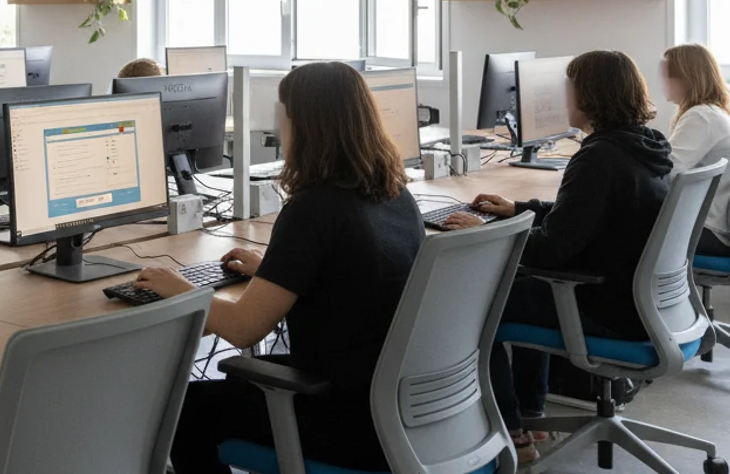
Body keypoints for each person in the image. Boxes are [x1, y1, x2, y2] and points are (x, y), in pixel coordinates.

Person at [136, 61, 424, 473]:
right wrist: (275, 272)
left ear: (305, 125)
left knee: (180, 407)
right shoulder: (395, 194)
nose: (278, 128)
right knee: (232, 387)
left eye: (282, 115)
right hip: (396, 407)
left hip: (343, 420)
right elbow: (352, 275)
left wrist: (179, 287)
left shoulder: (313, 209)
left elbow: (244, 329)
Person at [443, 50, 671, 463]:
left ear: (588, 96)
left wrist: (485, 232)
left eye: (568, 90)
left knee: (474, 303)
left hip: (607, 308)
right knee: (525, 287)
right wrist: (518, 210)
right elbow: (581, 216)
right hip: (641, 302)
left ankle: (513, 432)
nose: (565, 99)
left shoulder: (599, 157)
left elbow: (552, 247)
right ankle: (532, 412)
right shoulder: (644, 146)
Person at [662, 43, 730, 258]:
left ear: (686, 78)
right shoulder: (713, 112)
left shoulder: (701, 116)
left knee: (614, 228)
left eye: (667, 75)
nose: (663, 81)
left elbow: (666, 173)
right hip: (714, 226)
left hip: (708, 229)